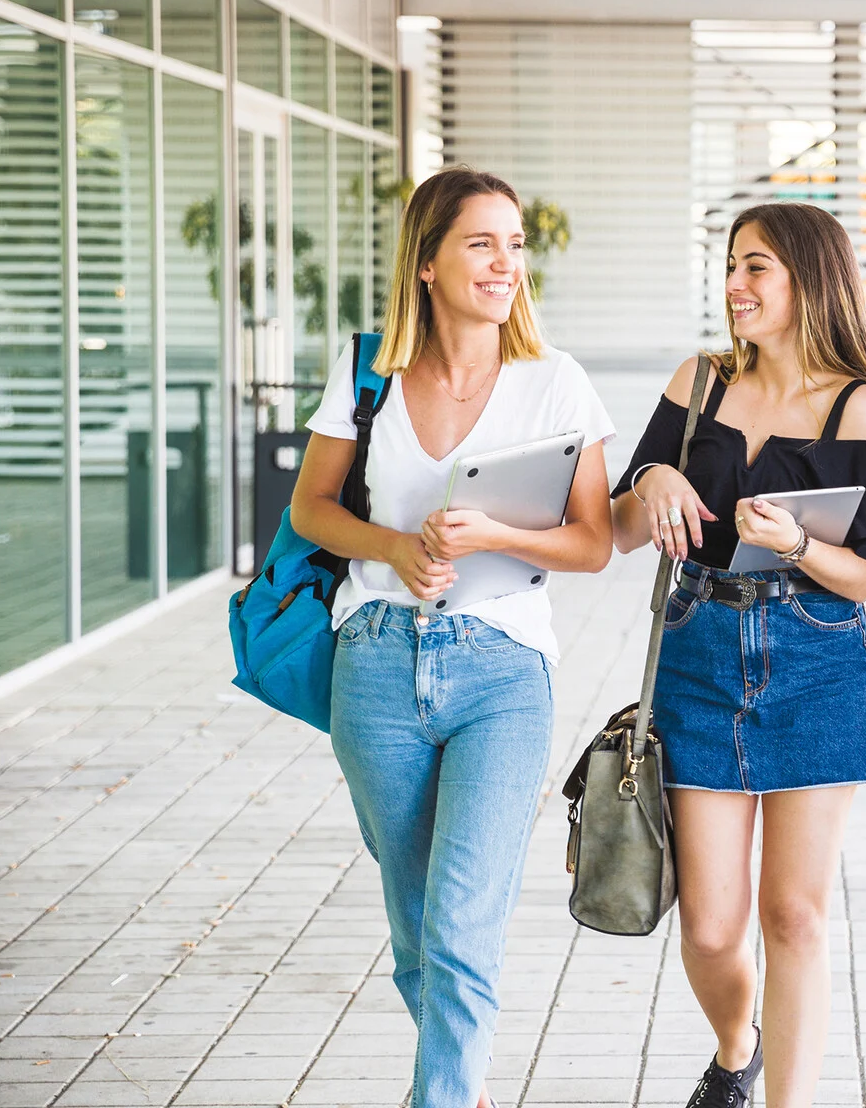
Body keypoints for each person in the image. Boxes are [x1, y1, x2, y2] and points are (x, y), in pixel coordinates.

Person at [290, 167, 616, 1108]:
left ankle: (442, 1095)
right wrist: (395, 547)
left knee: (464, 920)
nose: (505, 263)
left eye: (515, 244)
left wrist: (499, 535)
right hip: (378, 663)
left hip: (503, 668)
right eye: (482, 243)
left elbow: (593, 542)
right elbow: (312, 508)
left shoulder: (554, 381)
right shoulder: (367, 372)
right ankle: (464, 1081)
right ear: (427, 261)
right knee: (418, 925)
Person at [610, 202, 866, 1108]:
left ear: (809, 281)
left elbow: (865, 577)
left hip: (814, 652)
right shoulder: (700, 382)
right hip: (700, 646)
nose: (735, 286)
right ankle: (735, 1045)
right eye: (730, 266)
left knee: (794, 914)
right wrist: (652, 476)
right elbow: (625, 530)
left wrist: (795, 543)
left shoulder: (856, 403)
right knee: (712, 929)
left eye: (757, 268)